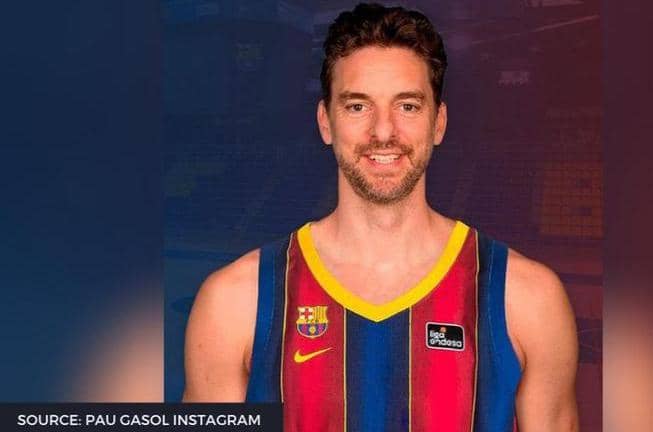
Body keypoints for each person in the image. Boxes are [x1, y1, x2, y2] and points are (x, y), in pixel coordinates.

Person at [183, 3, 578, 431]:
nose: (384, 131)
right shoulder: (234, 302)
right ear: (325, 122)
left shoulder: (528, 299)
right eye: (358, 106)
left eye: (408, 106)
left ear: (439, 122)